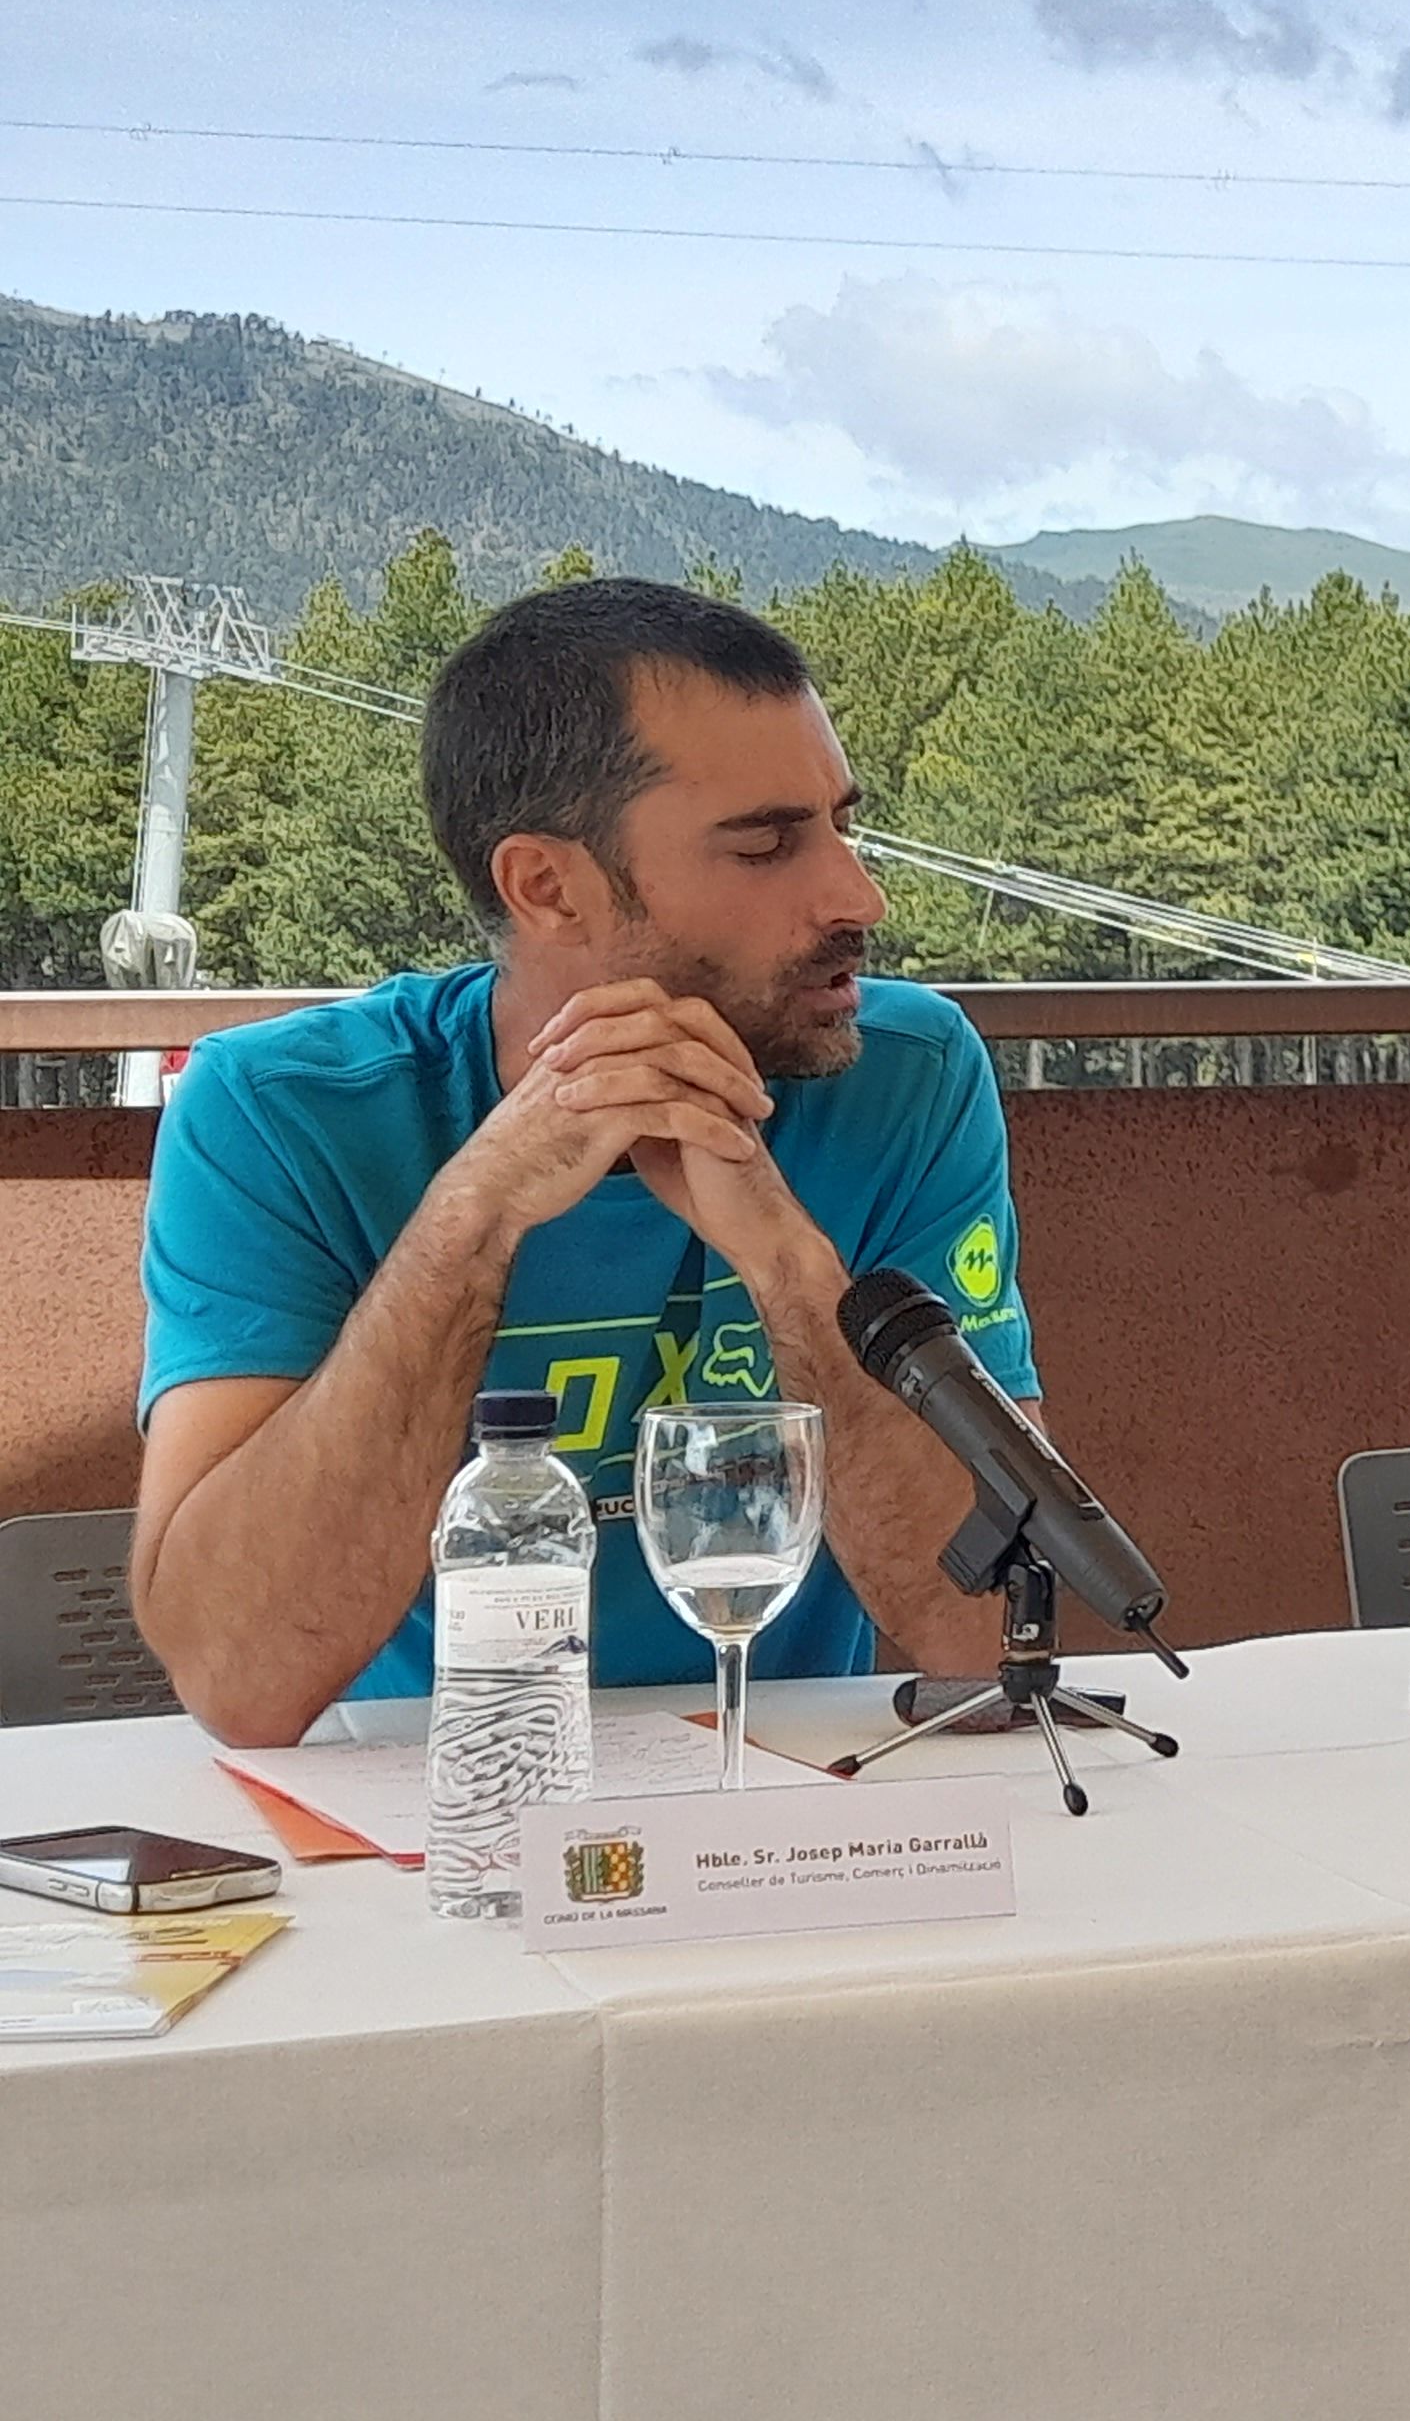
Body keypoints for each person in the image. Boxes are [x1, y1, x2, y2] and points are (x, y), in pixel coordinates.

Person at [132, 579, 1025, 1747]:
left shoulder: (904, 1075)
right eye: (766, 846)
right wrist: (471, 1219)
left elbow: (992, 1630)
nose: (861, 895)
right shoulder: (283, 1112)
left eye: (841, 825)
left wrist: (788, 1263)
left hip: (787, 1796)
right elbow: (238, 1677)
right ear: (548, 888)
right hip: (432, 1799)